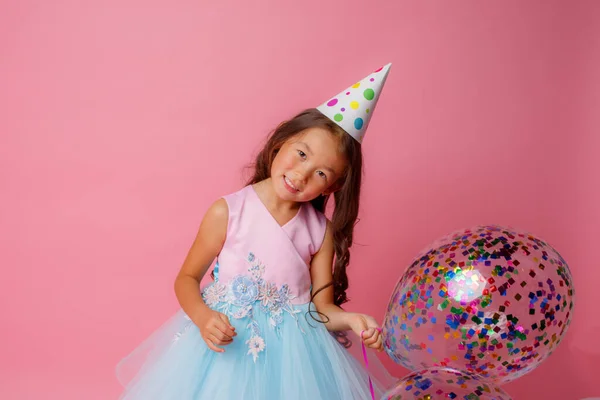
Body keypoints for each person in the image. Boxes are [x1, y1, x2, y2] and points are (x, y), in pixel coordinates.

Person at [116, 63, 394, 399]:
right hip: (225, 350)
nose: (302, 174)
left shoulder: (320, 232)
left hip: (294, 361)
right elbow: (186, 279)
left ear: (331, 188)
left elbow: (322, 309)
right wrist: (204, 318)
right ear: (281, 143)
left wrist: (352, 320)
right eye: (301, 154)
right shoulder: (229, 211)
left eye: (321, 173)